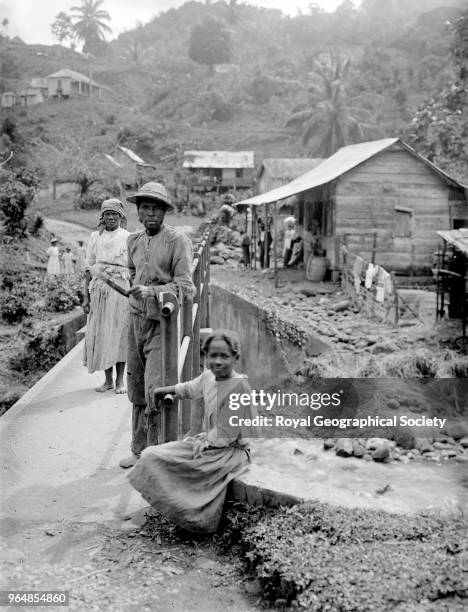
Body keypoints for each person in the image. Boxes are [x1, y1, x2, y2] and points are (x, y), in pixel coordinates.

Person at [127, 330, 256, 533]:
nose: (218, 361)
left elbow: (226, 434)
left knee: (155, 456)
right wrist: (163, 391)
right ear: (205, 357)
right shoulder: (208, 377)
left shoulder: (239, 388)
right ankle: (172, 509)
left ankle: (192, 519)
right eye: (213, 355)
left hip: (228, 452)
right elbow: (188, 388)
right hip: (210, 443)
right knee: (152, 455)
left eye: (225, 356)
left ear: (235, 358)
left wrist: (200, 443)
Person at [119, 182, 195, 469]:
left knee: (156, 389)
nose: (150, 213)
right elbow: (131, 270)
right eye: (145, 208)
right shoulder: (133, 241)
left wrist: (152, 292)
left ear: (164, 211)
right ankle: (138, 450)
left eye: (156, 208)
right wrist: (133, 287)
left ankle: (156, 454)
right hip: (135, 321)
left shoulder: (178, 241)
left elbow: (187, 288)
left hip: (161, 325)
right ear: (138, 212)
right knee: (136, 386)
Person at [82, 198, 130, 394]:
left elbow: (135, 269)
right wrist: (85, 297)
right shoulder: (95, 237)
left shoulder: (129, 237)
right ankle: (108, 380)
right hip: (100, 289)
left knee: (119, 334)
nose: (111, 217)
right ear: (102, 216)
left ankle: (120, 381)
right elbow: (88, 267)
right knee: (102, 334)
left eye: (114, 213)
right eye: (107, 214)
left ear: (120, 216)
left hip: (120, 289)